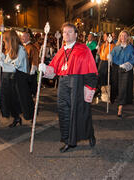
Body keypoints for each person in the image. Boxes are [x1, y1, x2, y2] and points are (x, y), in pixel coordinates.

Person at [39, 22, 98, 153]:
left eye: (70, 32)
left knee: (80, 112)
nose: (66, 34)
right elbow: (54, 69)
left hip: (78, 82)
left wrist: (89, 89)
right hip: (63, 83)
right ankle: (68, 140)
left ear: (76, 35)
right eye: (65, 32)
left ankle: (89, 134)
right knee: (63, 111)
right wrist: (45, 68)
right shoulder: (61, 50)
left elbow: (91, 71)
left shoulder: (84, 49)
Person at [0, 30, 34, 128]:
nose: (4, 43)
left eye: (5, 40)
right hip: (9, 79)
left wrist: (3, 63)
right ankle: (16, 117)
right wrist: (3, 57)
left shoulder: (21, 49)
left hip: (19, 80)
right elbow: (8, 63)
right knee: (10, 100)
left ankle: (31, 115)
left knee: (23, 100)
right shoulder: (9, 50)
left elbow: (15, 67)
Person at [109, 30, 134, 117]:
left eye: (125, 36)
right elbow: (112, 55)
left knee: (123, 88)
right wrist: (110, 57)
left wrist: (127, 64)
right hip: (116, 68)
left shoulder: (130, 47)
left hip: (125, 69)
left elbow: (133, 59)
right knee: (115, 85)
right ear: (119, 37)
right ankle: (114, 99)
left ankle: (120, 107)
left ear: (128, 37)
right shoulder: (116, 47)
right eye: (121, 36)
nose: (123, 38)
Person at [21, 28, 40, 95]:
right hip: (23, 70)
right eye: (22, 36)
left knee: (31, 89)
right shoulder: (22, 46)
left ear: (28, 37)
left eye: (24, 36)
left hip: (30, 71)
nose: (22, 37)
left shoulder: (32, 47)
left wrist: (33, 69)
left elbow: (35, 59)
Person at [97, 33, 115, 102]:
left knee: (106, 78)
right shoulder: (103, 44)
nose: (104, 37)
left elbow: (113, 55)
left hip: (107, 63)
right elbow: (99, 53)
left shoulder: (112, 45)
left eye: (105, 36)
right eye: (104, 36)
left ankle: (107, 94)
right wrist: (98, 48)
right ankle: (100, 92)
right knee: (100, 77)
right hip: (101, 62)